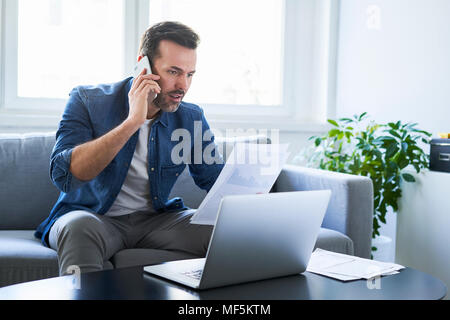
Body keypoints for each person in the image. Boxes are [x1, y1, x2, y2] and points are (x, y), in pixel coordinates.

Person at [35, 21, 224, 276]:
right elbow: (65, 176)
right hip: (92, 217)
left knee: (225, 232)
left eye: (189, 74)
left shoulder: (190, 117)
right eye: (173, 72)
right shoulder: (87, 100)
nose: (183, 86)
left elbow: (214, 180)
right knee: (79, 228)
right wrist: (133, 121)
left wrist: (252, 198)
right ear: (143, 65)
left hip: (157, 220)